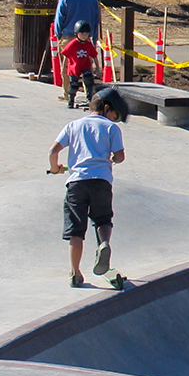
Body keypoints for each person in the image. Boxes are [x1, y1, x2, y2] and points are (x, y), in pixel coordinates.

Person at [49, 86, 128, 289]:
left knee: (76, 229)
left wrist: (55, 168)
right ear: (106, 107)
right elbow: (120, 156)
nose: (113, 118)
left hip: (76, 182)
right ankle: (103, 245)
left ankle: (75, 273)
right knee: (103, 219)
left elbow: (53, 151)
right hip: (101, 180)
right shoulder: (111, 128)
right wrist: (112, 159)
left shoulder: (73, 125)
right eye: (114, 114)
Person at [59, 21, 100, 108]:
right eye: (82, 33)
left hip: (86, 65)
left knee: (89, 80)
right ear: (77, 33)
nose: (84, 35)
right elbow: (66, 56)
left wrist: (97, 67)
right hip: (74, 67)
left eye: (86, 33)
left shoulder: (89, 44)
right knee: (74, 85)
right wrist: (63, 68)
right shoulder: (73, 44)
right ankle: (71, 100)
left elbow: (94, 56)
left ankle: (89, 98)